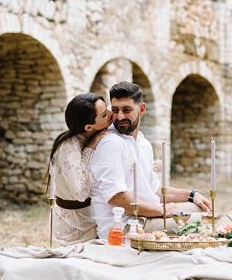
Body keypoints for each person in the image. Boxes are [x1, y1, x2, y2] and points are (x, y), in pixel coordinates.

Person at [89, 81, 212, 240]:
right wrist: (160, 211)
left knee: (201, 208)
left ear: (141, 109)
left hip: (148, 216)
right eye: (115, 110)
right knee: (209, 222)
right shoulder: (111, 143)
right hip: (124, 227)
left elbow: (154, 190)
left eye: (126, 110)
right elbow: (116, 198)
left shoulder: (143, 143)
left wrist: (191, 194)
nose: (120, 116)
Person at [47, 93, 113, 245]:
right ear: (88, 127)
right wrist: (90, 148)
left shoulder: (95, 134)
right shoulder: (68, 148)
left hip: (95, 214)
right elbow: (81, 193)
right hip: (74, 224)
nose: (111, 114)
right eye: (104, 114)